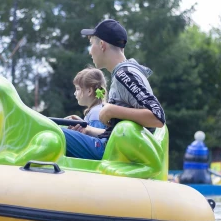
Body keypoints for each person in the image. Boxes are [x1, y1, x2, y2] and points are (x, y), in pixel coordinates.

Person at [61, 19, 166, 160]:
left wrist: (111, 110)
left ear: (102, 45)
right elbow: (114, 133)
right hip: (112, 147)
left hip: (111, 153)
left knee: (54, 132)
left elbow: (157, 116)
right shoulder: (123, 73)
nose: (90, 52)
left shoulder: (125, 74)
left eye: (91, 44)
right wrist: (87, 130)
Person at [65, 67, 108, 133]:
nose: (74, 93)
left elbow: (96, 141)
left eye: (78, 89)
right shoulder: (96, 110)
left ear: (89, 91)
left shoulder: (95, 113)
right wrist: (82, 123)